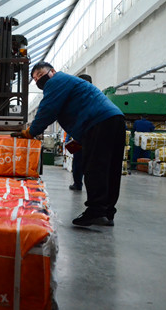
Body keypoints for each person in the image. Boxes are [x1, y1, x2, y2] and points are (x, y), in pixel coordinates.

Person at [16, 62, 125, 227]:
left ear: (52, 71)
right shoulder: (68, 83)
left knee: (95, 167)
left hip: (98, 122)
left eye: (40, 74)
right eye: (35, 79)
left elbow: (47, 110)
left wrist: (31, 132)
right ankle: (107, 212)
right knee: (111, 169)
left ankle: (96, 211)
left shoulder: (56, 81)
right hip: (114, 119)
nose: (38, 79)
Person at [68, 74, 94, 191]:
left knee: (80, 161)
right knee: (82, 161)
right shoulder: (95, 96)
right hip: (86, 135)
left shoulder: (78, 97)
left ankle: (78, 184)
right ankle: (79, 184)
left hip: (83, 135)